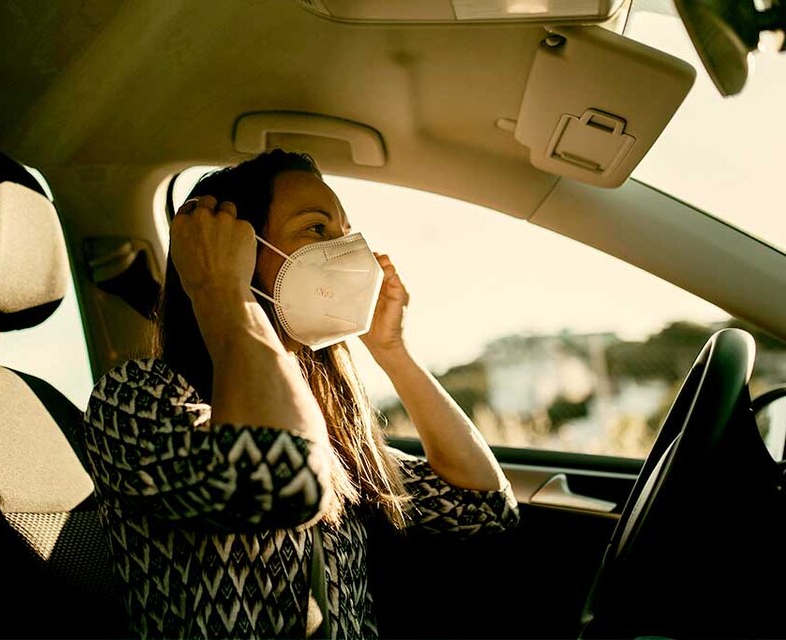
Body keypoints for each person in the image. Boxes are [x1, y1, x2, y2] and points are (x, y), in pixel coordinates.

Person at [83, 149, 520, 639]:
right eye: (316, 230)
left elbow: (482, 506)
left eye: (347, 231)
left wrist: (391, 350)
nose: (351, 252)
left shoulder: (321, 416)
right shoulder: (135, 397)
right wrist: (221, 291)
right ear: (237, 251)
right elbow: (283, 475)